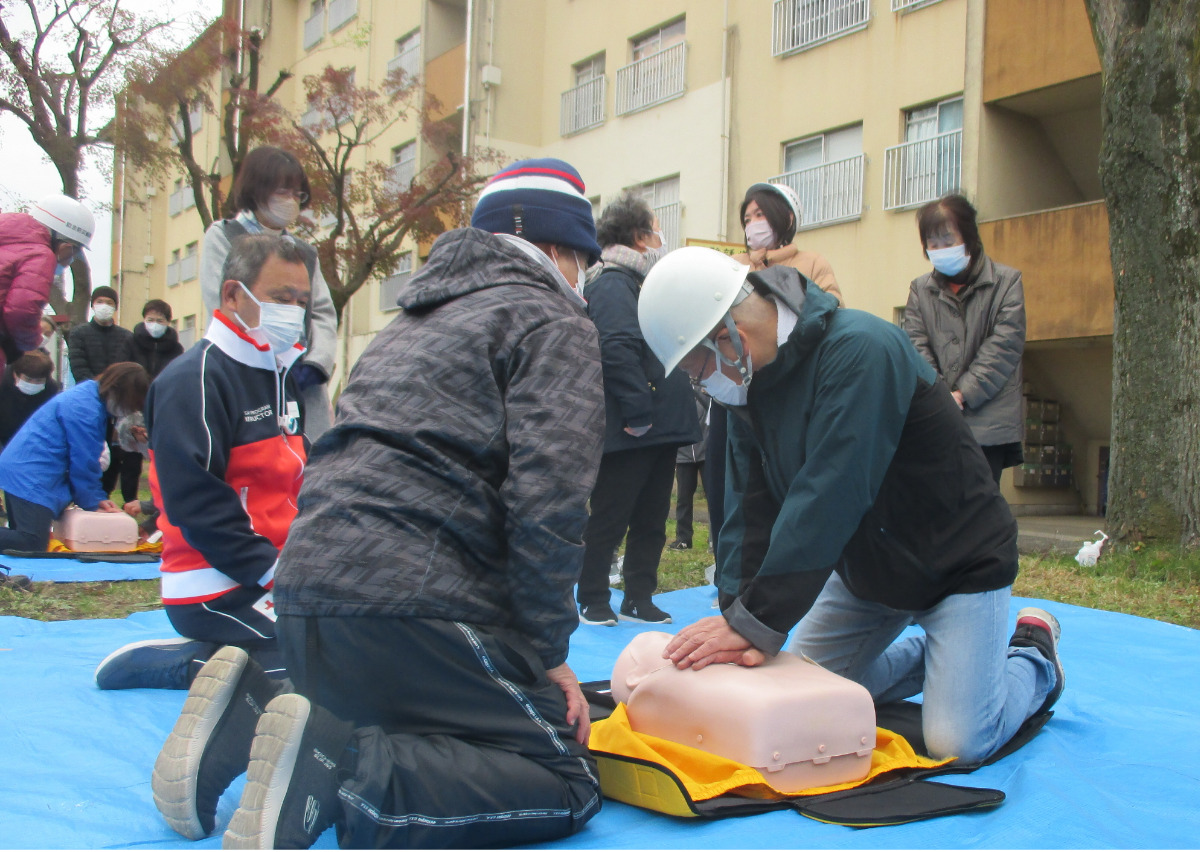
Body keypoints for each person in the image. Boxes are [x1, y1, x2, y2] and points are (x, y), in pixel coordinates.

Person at [151, 158, 606, 850]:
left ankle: (254, 713)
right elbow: (548, 501)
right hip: (413, 606)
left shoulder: (408, 325)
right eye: (583, 258)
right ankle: (345, 771)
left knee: (423, 724)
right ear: (555, 249)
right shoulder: (549, 320)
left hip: (303, 605)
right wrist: (546, 653)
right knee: (563, 773)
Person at [636, 246, 1065, 766]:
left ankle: (1030, 653)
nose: (700, 383)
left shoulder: (861, 349)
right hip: (870, 574)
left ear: (729, 336)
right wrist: (734, 614)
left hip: (958, 565)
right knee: (803, 696)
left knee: (959, 743)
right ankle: (949, 657)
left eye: (695, 367)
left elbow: (830, 494)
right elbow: (750, 506)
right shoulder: (750, 385)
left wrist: (757, 622)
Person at [94, 235, 311, 692]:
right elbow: (197, 506)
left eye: (300, 301)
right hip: (214, 581)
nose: (293, 311)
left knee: (364, 641)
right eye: (280, 298)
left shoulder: (280, 373)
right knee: (314, 673)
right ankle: (182, 665)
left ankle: (237, 654)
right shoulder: (192, 381)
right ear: (233, 294)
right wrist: (277, 574)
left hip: (277, 572)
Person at [576, 191, 700, 627]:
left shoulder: (642, 280)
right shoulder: (611, 281)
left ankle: (638, 595)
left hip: (660, 421)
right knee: (611, 514)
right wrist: (637, 411)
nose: (658, 234)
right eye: (652, 226)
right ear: (636, 234)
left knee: (651, 516)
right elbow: (616, 347)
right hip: (635, 424)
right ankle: (592, 595)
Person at [200, 146, 338, 440]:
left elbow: (322, 312)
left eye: (297, 195)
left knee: (305, 463)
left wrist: (315, 363)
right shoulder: (224, 236)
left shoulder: (304, 252)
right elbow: (221, 301)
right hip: (242, 373)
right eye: (282, 192)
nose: (290, 201)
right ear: (257, 189)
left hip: (300, 382)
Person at [903, 194, 1026, 485]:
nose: (940, 249)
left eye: (948, 241)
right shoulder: (920, 290)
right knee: (940, 506)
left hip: (989, 420)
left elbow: (1005, 345)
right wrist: (940, 394)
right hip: (937, 418)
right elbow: (915, 344)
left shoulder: (1007, 283)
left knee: (981, 504)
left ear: (969, 236)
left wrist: (963, 393)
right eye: (933, 244)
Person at [0, 362, 148, 554]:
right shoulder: (85, 409)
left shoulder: (87, 397)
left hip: (25, 469)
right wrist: (93, 501)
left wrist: (94, 499)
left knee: (23, 536)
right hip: (31, 474)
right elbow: (84, 461)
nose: (129, 411)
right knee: (32, 541)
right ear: (120, 392)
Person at [0, 194, 94, 376]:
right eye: (75, 251)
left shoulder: (9, 237)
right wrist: (30, 343)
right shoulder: (40, 254)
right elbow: (22, 310)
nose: (70, 259)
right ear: (66, 245)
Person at [69, 286, 140, 505]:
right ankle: (88, 497)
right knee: (93, 451)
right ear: (92, 304)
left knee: (124, 455)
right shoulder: (79, 334)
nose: (105, 306)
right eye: (100, 301)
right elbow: (78, 367)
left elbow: (129, 368)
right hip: (91, 401)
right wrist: (98, 394)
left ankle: (122, 499)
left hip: (120, 404)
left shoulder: (126, 337)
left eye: (109, 303)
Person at [733, 181, 843, 305]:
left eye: (760, 215)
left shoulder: (813, 263)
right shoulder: (734, 264)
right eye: (747, 220)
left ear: (789, 218)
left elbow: (832, 311)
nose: (752, 224)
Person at [669, 389, 710, 552]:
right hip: (683, 456)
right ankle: (683, 539)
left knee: (713, 498)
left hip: (706, 454)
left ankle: (714, 540)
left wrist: (697, 391)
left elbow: (712, 410)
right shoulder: (677, 397)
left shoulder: (705, 391)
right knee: (683, 499)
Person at [0, 351, 61, 449]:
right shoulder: (2, 385)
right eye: (28, 379)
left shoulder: (51, 390)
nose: (33, 384)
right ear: (16, 375)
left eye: (39, 381)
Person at [128, 299, 185, 381]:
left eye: (160, 321)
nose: (154, 324)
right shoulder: (131, 342)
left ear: (168, 322)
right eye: (150, 320)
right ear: (144, 320)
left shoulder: (176, 349)